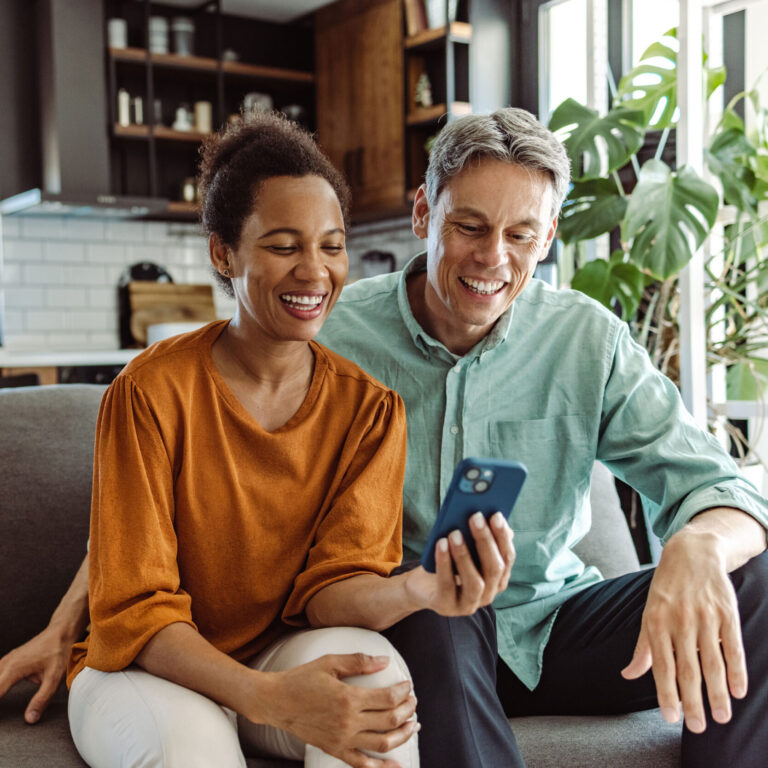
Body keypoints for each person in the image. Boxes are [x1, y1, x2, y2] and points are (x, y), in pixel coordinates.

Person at [2, 107, 767, 767]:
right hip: (419, 624)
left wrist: (696, 547)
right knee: (439, 616)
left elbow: (717, 484)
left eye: (521, 234)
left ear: (550, 235)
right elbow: (173, 479)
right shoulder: (317, 326)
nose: (492, 258)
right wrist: (70, 620)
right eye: (468, 225)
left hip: (552, 622)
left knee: (757, 582)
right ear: (422, 213)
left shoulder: (586, 341)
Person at [27, 111, 516, 768]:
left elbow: (332, 589)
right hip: (143, 667)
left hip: (277, 652)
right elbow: (135, 609)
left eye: (331, 245)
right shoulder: (149, 391)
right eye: (284, 246)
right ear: (223, 253)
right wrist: (265, 698)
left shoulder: (370, 411)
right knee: (190, 750)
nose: (314, 272)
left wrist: (422, 589)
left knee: (378, 695)